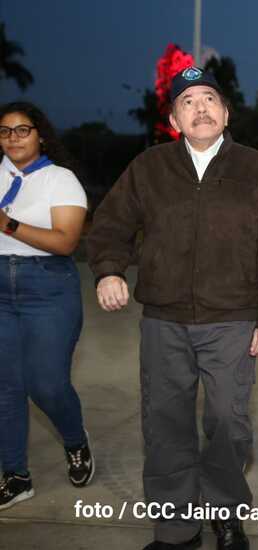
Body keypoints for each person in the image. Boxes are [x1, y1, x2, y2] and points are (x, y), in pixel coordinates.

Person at [87, 67, 258, 550]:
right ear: (174, 120)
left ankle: (226, 514)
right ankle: (176, 528)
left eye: (209, 99)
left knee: (227, 421)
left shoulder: (254, 167)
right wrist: (110, 270)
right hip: (165, 320)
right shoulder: (150, 166)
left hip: (233, 320)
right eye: (188, 102)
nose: (200, 108)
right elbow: (111, 224)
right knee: (165, 424)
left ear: (225, 113)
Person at [0, 102, 93, 510]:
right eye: (5, 131)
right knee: (6, 387)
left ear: (40, 135)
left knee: (47, 384)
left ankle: (75, 440)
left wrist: (8, 224)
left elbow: (66, 242)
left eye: (22, 130)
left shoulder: (60, 179)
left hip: (47, 286)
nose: (13, 138)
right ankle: (15, 475)